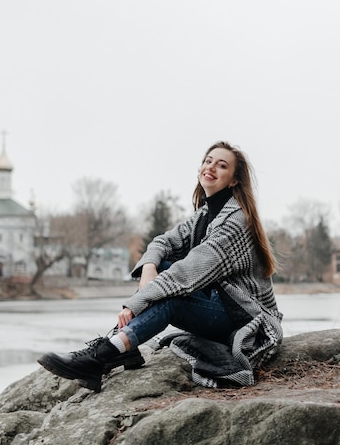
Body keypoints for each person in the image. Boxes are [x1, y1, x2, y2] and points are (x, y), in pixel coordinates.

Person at [38, 141, 283, 392]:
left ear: (233, 180)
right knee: (163, 266)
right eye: (208, 161)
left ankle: (103, 355)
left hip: (244, 319)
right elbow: (163, 242)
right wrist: (150, 266)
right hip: (220, 307)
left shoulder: (235, 222)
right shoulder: (204, 215)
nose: (211, 167)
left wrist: (137, 302)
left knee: (171, 296)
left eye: (222, 165)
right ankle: (122, 348)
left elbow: (188, 272)